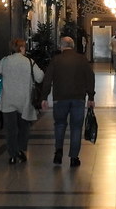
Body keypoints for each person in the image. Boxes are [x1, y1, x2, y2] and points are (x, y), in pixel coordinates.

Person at [40, 35, 95, 167]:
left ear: (61, 46)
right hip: (78, 99)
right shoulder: (82, 59)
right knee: (76, 128)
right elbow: (90, 78)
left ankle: (58, 152)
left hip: (60, 99)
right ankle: (74, 158)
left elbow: (47, 80)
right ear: (73, 46)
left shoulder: (56, 60)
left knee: (59, 125)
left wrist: (44, 97)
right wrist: (91, 97)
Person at [0, 37, 44, 164]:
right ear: (21, 48)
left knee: (10, 129)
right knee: (24, 127)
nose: (25, 49)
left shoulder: (4, 61)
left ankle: (13, 155)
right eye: (24, 47)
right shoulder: (29, 62)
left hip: (8, 100)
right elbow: (40, 77)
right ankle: (20, 150)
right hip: (24, 100)